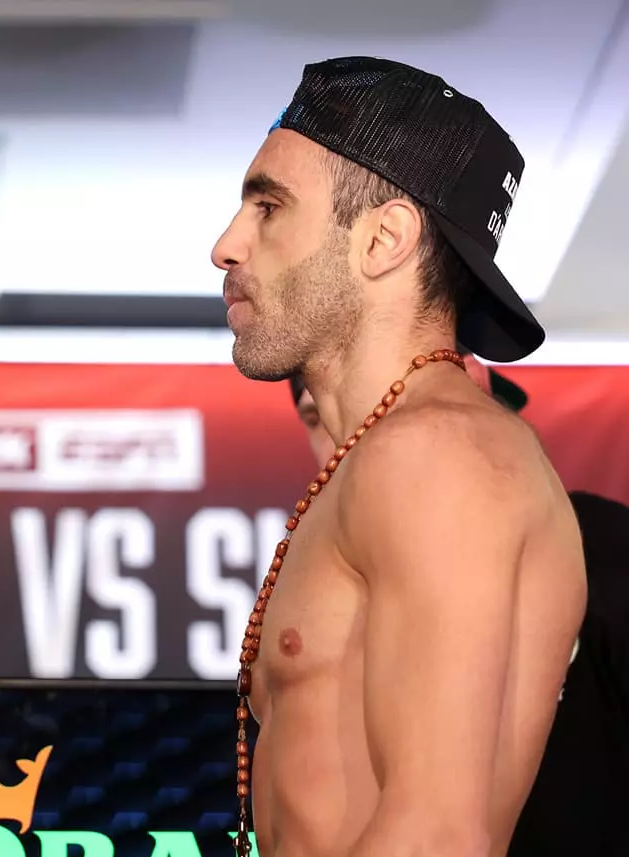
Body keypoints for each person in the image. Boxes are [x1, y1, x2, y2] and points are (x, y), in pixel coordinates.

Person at [211, 57, 587, 857]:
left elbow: (438, 835)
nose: (226, 244)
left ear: (383, 239)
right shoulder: (377, 456)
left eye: (268, 207)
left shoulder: (437, 453)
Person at [287, 357, 629, 857]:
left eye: (381, 404)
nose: (344, 433)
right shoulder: (313, 597)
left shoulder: (600, 545)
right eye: (316, 417)